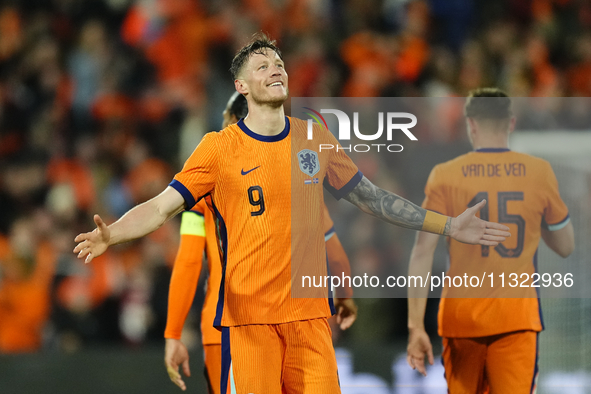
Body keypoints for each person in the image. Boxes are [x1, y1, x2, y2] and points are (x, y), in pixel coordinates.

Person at [74, 34, 509, 393]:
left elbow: (374, 199)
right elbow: (160, 207)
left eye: (278, 62)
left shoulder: (315, 139)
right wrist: (111, 234)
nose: (275, 69)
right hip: (249, 322)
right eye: (261, 66)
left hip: (309, 319)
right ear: (241, 87)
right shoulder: (218, 148)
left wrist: (449, 225)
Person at [163, 92, 358, 393]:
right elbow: (336, 255)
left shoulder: (205, 190)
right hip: (294, 321)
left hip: (234, 325)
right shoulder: (301, 185)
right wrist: (344, 296)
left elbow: (189, 260)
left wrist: (173, 332)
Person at [406, 88, 575, 393]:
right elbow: (566, 246)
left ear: (471, 124)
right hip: (516, 319)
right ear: (510, 123)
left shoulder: (444, 175)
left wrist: (415, 325)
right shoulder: (539, 173)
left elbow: (422, 252)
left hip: (461, 319)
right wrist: (535, 221)